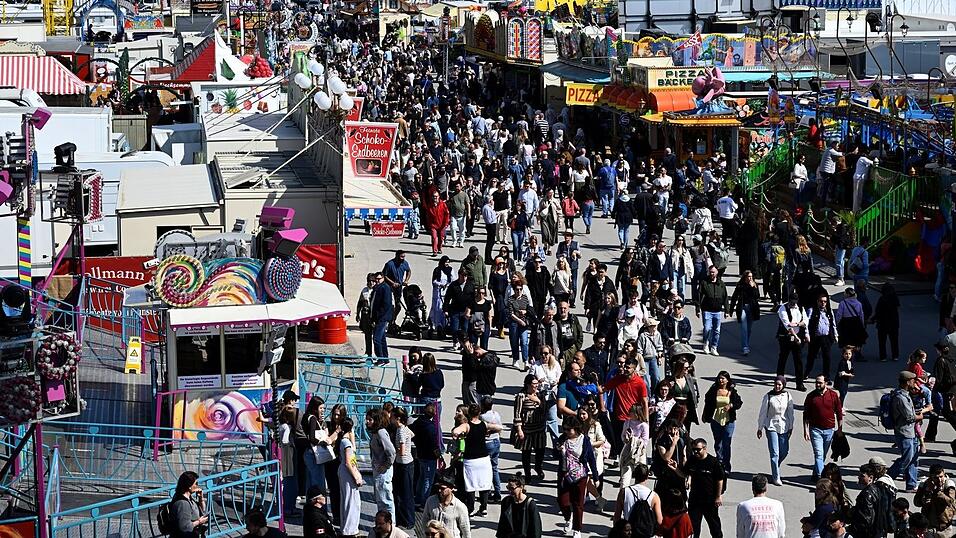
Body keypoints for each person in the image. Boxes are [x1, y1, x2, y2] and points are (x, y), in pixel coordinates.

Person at [453, 403, 500, 516]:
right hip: (484, 459)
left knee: (470, 484)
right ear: (479, 413)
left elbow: (455, 431)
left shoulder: (467, 425)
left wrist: (459, 435)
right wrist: (489, 432)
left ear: (469, 413)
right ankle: (483, 508)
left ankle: (470, 508)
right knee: (484, 484)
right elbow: (499, 427)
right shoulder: (483, 424)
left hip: (470, 460)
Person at [557, 417, 599, 538]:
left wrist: (595, 477)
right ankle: (567, 517)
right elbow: (555, 454)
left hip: (580, 476)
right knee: (562, 500)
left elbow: (591, 458)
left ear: (575, 429)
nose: (566, 432)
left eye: (568, 429)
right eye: (564, 429)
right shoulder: (562, 439)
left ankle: (577, 529)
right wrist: (558, 450)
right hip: (564, 474)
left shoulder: (584, 440)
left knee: (578, 503)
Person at [680, 437, 726, 538]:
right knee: (694, 527)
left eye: (698, 449)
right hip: (695, 499)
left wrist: (718, 496)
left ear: (705, 449)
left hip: (710, 500)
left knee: (714, 526)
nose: (695, 452)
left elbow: (720, 479)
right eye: (694, 449)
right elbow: (684, 473)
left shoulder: (713, 462)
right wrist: (675, 469)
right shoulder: (692, 460)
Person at [804, 374, 844, 483]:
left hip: (829, 430)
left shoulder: (833, 395)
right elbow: (806, 414)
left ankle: (814, 474)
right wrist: (806, 430)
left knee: (822, 455)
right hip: (815, 430)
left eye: (820, 383)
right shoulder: (811, 396)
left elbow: (839, 412)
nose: (817, 384)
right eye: (816, 382)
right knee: (819, 454)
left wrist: (840, 429)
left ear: (826, 383)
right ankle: (823, 480)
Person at [701, 370, 743, 473]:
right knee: (718, 443)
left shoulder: (732, 391)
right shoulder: (714, 390)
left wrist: (731, 405)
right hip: (716, 419)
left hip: (729, 421)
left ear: (727, 380)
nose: (721, 380)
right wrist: (705, 414)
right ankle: (719, 463)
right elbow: (707, 401)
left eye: (723, 378)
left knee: (726, 443)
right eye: (719, 378)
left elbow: (739, 402)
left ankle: (726, 466)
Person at [757, 376, 795, 486]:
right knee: (775, 452)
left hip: (784, 426)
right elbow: (763, 413)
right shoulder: (768, 396)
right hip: (771, 426)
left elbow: (790, 412)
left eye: (780, 384)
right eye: (776, 384)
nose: (777, 386)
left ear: (783, 385)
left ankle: (775, 466)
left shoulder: (787, 396)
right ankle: (776, 476)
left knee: (784, 451)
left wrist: (791, 426)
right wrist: (760, 427)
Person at [888, 371, 923, 492]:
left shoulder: (905, 394)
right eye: (913, 381)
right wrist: (920, 416)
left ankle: (911, 484)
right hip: (904, 432)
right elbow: (909, 417)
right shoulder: (900, 398)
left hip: (911, 431)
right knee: (906, 458)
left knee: (913, 458)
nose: (915, 383)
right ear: (908, 382)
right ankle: (887, 478)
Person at [513, 374, 547, 480]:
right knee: (526, 453)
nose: (536, 386)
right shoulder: (521, 396)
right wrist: (519, 430)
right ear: (528, 384)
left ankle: (538, 467)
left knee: (540, 451)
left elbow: (545, 410)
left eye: (537, 384)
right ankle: (527, 473)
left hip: (539, 429)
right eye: (534, 384)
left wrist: (539, 401)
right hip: (527, 430)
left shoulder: (540, 395)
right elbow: (517, 413)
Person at [411, 403, 441, 509]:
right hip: (429, 457)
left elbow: (412, 432)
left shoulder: (419, 422)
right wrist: (439, 456)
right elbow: (434, 445)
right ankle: (424, 502)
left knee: (421, 478)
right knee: (428, 479)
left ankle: (418, 499)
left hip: (420, 454)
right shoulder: (431, 427)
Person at [777, 293, 809, 391]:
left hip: (798, 336)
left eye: (795, 302)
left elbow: (805, 321)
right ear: (789, 300)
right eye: (792, 302)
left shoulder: (800, 308)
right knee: (783, 358)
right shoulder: (782, 308)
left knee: (798, 360)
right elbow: (787, 325)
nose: (794, 304)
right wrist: (796, 337)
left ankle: (799, 383)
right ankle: (779, 381)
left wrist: (804, 331)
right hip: (786, 337)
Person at [851, 463, 892, 538]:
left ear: (870, 477)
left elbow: (867, 518)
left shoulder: (866, 495)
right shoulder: (878, 489)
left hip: (870, 533)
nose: (859, 477)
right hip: (879, 531)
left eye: (862, 476)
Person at [338, 417, 363, 537]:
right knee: (351, 501)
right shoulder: (346, 443)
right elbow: (349, 462)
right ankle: (349, 528)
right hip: (348, 472)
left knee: (348, 499)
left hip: (345, 471)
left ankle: (348, 527)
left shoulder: (344, 441)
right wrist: (356, 477)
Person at [496, 474, 542, 538]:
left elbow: (536, 528)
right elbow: (502, 523)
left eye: (512, 488)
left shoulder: (530, 504)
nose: (509, 491)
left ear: (521, 487)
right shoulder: (506, 501)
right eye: (508, 487)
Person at [391, 407, 415, 528]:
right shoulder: (405, 428)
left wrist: (392, 450)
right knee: (407, 492)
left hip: (403, 464)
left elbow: (402, 451)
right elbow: (412, 434)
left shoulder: (400, 430)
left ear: (397, 418)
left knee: (404, 493)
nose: (391, 419)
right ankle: (408, 519)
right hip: (409, 463)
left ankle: (407, 520)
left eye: (392, 417)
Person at [696, 265, 728, 356]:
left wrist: (727, 311)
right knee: (707, 329)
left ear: (717, 272)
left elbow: (725, 297)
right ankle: (706, 343)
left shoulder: (721, 284)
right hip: (707, 310)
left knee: (717, 330)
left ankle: (714, 346)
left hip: (717, 311)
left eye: (713, 272)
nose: (712, 274)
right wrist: (698, 309)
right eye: (710, 272)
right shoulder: (704, 283)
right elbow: (698, 296)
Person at [806, 293, 838, 381]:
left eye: (825, 301)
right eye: (821, 301)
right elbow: (806, 324)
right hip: (815, 337)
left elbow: (833, 324)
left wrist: (835, 335)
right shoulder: (812, 310)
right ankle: (806, 373)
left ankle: (826, 377)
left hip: (826, 337)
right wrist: (807, 334)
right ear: (817, 302)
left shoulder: (829, 311)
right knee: (811, 356)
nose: (823, 303)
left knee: (827, 357)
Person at [729, 270, 761, 356]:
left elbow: (757, 296)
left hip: (751, 308)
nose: (750, 278)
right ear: (745, 277)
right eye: (748, 277)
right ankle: (745, 347)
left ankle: (745, 341)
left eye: (751, 276)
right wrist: (731, 309)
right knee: (744, 328)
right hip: (742, 307)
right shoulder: (740, 285)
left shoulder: (754, 285)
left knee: (749, 329)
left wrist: (753, 287)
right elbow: (734, 297)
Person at [168, 471, 208, 538]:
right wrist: (199, 522)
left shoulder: (188, 497)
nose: (197, 486)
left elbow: (202, 510)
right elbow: (184, 527)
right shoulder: (183, 503)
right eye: (196, 483)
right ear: (189, 486)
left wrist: (201, 498)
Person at [480, 396, 504, 502]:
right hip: (496, 442)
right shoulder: (496, 414)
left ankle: (488, 491)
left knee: (486, 469)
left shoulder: (482, 417)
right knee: (495, 468)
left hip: (487, 443)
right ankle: (498, 492)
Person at [507, 273, 532, 369]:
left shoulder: (525, 298)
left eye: (520, 289)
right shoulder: (511, 299)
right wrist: (518, 320)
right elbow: (511, 313)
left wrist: (525, 311)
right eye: (517, 289)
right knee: (514, 341)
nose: (519, 291)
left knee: (524, 341)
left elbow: (529, 307)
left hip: (524, 323)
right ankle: (515, 359)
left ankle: (526, 361)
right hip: (514, 322)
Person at [872, 283, 901, 362]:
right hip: (894, 323)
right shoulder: (895, 298)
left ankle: (883, 356)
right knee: (894, 341)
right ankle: (895, 355)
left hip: (882, 323)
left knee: (882, 341)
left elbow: (878, 312)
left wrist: (872, 319)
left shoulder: (882, 299)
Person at [383, 250, 411, 326]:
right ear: (397, 256)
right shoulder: (389, 264)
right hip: (389, 287)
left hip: (399, 287)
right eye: (401, 256)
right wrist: (392, 283)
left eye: (404, 256)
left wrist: (406, 280)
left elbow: (408, 271)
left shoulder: (405, 263)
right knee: (390, 305)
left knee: (398, 306)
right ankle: (387, 320)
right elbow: (384, 275)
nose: (403, 258)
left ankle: (393, 320)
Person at [370, 272, 394, 358]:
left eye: (379, 279)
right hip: (377, 318)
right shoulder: (376, 288)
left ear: (383, 278)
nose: (377, 281)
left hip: (382, 318)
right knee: (382, 339)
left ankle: (380, 358)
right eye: (376, 279)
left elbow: (386, 304)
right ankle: (385, 358)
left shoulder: (385, 288)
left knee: (376, 339)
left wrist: (378, 316)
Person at [556, 231, 581, 306]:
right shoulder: (561, 244)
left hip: (573, 267)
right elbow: (557, 255)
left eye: (568, 235)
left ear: (571, 237)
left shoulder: (575, 244)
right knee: (565, 284)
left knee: (574, 285)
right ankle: (565, 300)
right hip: (564, 268)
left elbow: (580, 255)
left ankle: (572, 300)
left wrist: (576, 252)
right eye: (566, 235)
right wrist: (562, 256)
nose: (567, 237)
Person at [423, 190, 451, 255]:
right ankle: (434, 251)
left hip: (442, 225)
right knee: (434, 238)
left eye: (436, 196)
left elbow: (447, 214)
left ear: (439, 197)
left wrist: (446, 223)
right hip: (433, 225)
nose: (435, 198)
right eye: (433, 196)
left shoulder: (443, 204)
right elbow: (428, 216)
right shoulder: (430, 205)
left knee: (441, 238)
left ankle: (439, 248)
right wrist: (429, 224)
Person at [357, 273, 376, 356]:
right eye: (369, 281)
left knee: (376, 337)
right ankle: (368, 352)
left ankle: (378, 354)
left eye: (373, 281)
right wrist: (358, 314)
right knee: (367, 335)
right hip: (365, 314)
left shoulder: (377, 290)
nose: (371, 283)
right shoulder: (364, 290)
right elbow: (360, 303)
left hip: (374, 315)